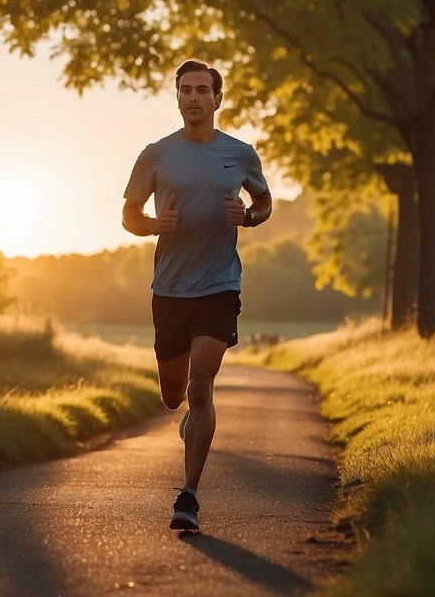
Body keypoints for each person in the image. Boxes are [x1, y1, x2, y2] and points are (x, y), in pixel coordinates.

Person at [121, 59, 272, 532]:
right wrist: (152, 226)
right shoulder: (156, 155)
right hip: (169, 288)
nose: (193, 97)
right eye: (185, 90)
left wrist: (247, 216)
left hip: (219, 283)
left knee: (200, 385)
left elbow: (264, 201)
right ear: (178, 97)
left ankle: (188, 495)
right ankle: (189, 422)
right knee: (173, 397)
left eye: (202, 90)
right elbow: (128, 213)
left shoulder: (241, 153)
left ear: (217, 98)